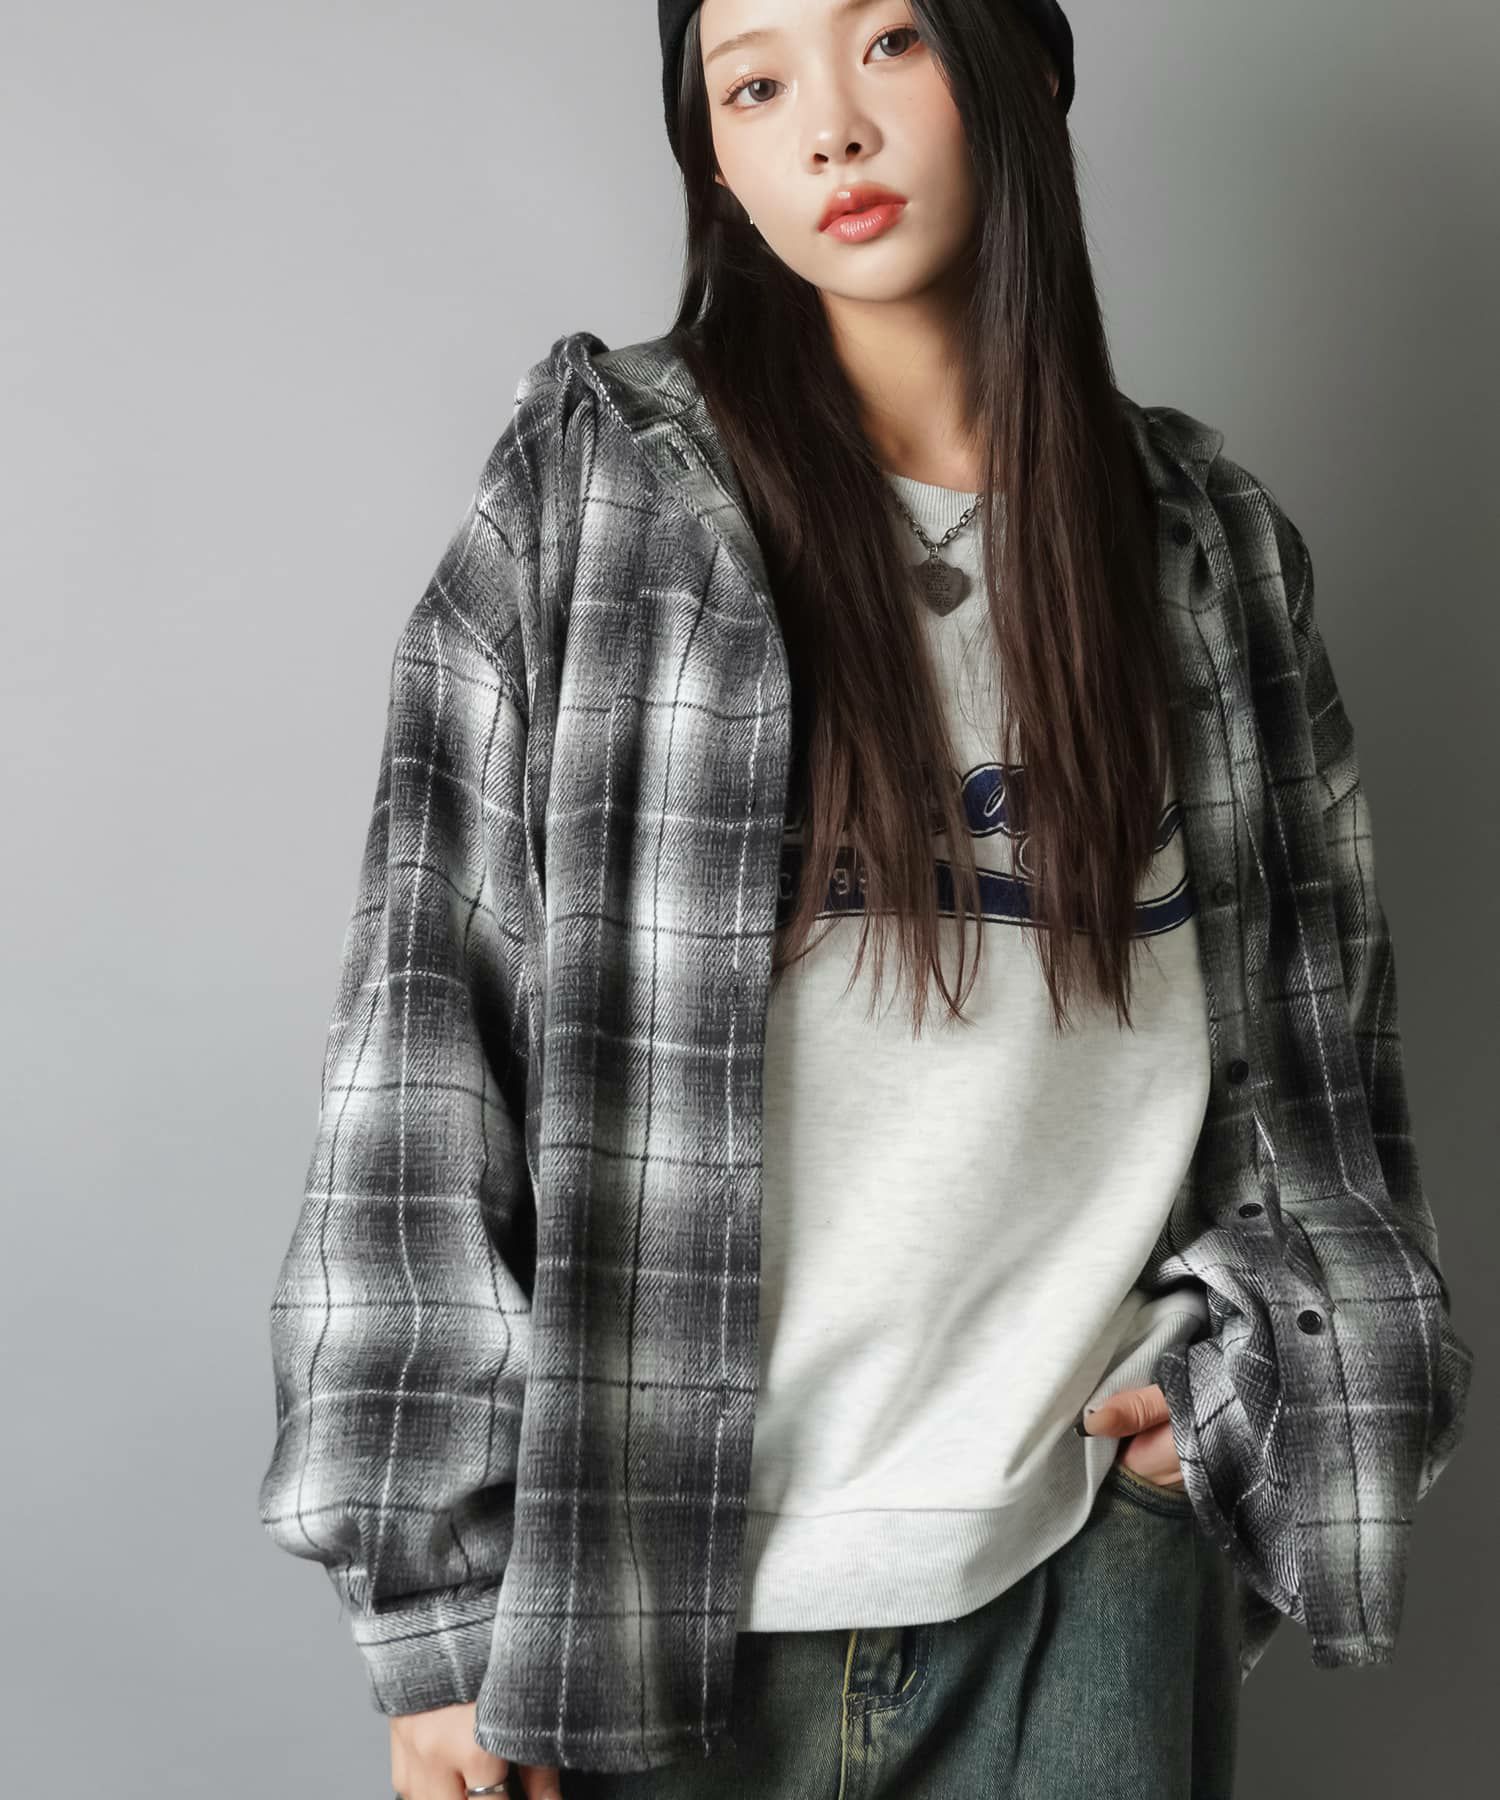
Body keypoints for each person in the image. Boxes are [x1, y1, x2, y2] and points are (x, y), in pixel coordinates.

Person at [255, 4, 1474, 1797]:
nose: (829, 126)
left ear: (1021, 65)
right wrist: (431, 1607)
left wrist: (1245, 1398)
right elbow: (425, 1041)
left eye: (890, 38)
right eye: (754, 83)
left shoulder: (1202, 549)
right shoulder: (603, 511)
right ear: (717, 159)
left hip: (1083, 1563)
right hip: (647, 1603)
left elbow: (1320, 1064)